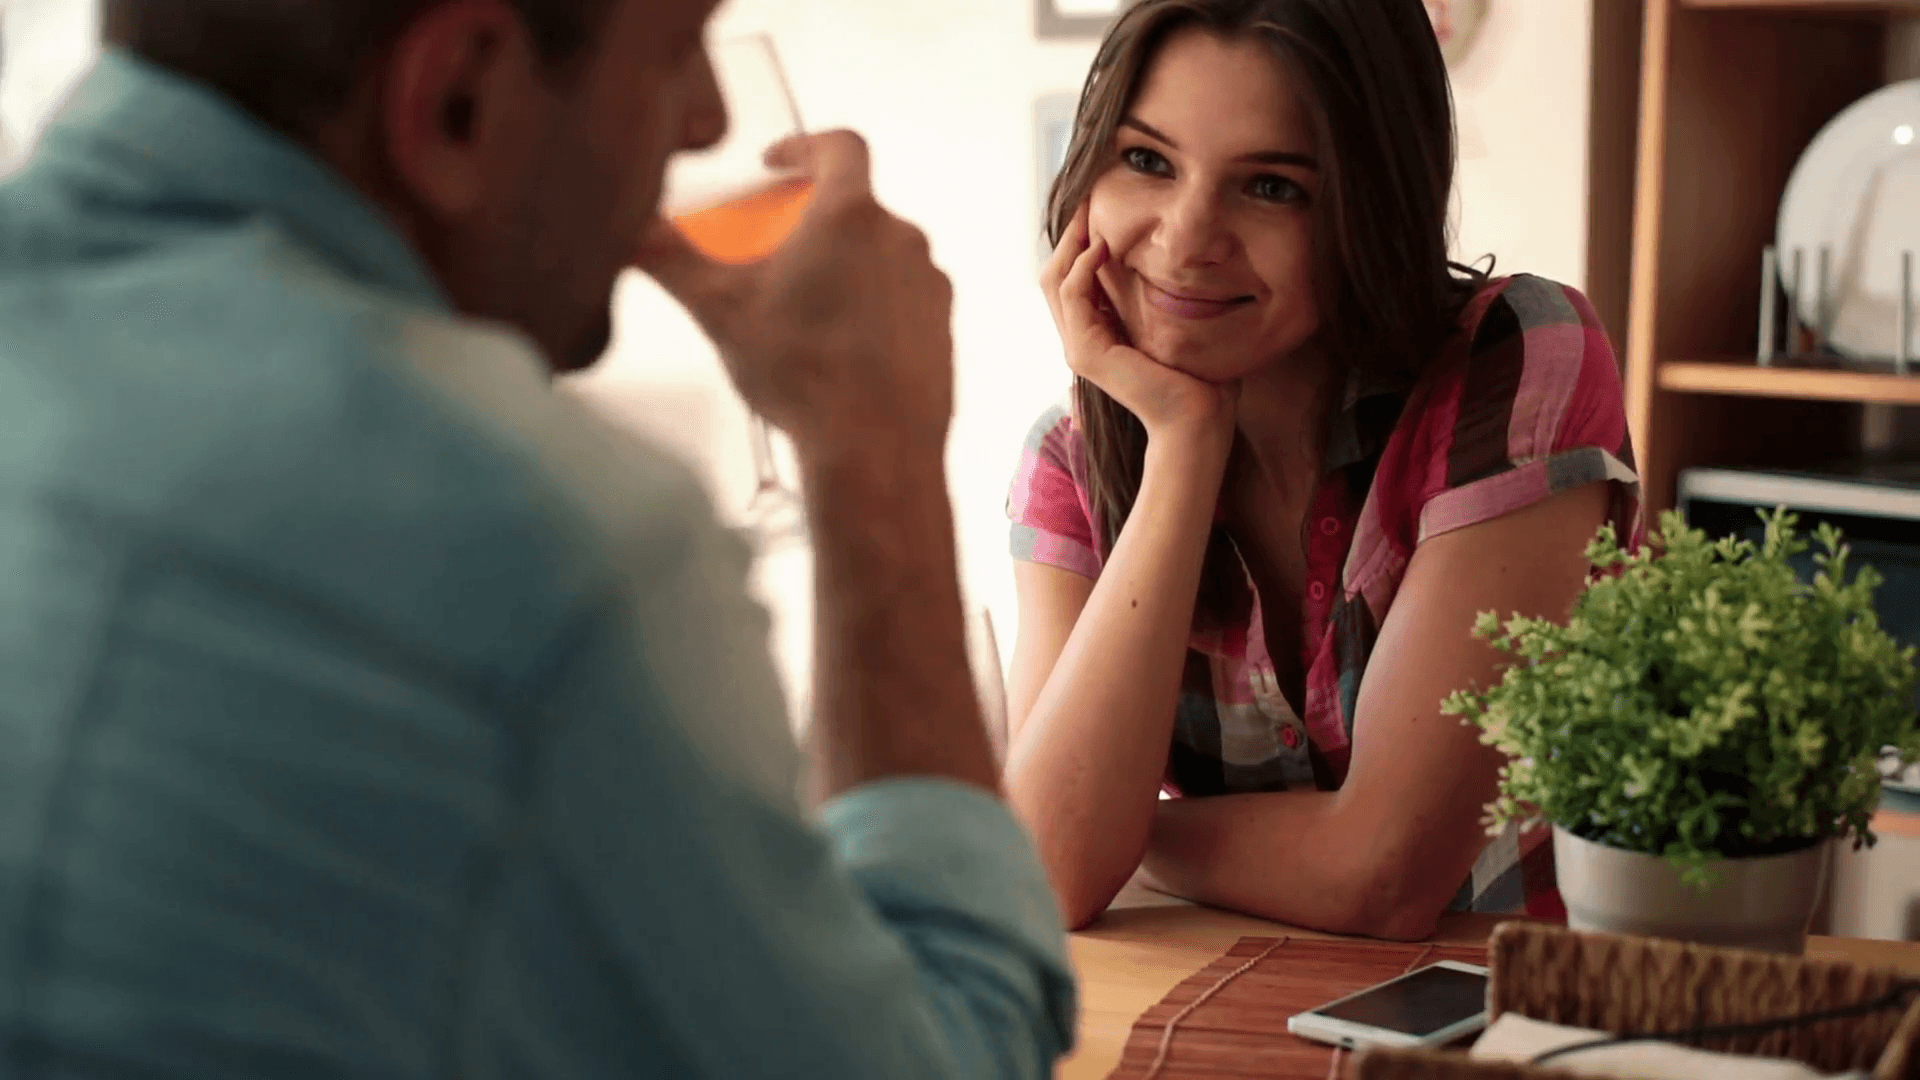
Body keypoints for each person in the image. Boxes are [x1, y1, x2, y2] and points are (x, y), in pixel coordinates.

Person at [0, 1, 1074, 1077]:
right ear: (462, 94)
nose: (703, 124)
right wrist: (872, 448)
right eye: (673, 54)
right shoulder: (536, 544)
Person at [1002, 0, 1642, 939]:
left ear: (1369, 207)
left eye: (1272, 187)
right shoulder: (1070, 459)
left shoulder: (1516, 361)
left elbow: (1386, 875)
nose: (1184, 239)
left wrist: (1124, 829)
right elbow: (1047, 877)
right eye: (1147, 161)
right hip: (1229, 1012)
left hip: (1523, 1023)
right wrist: (1184, 445)